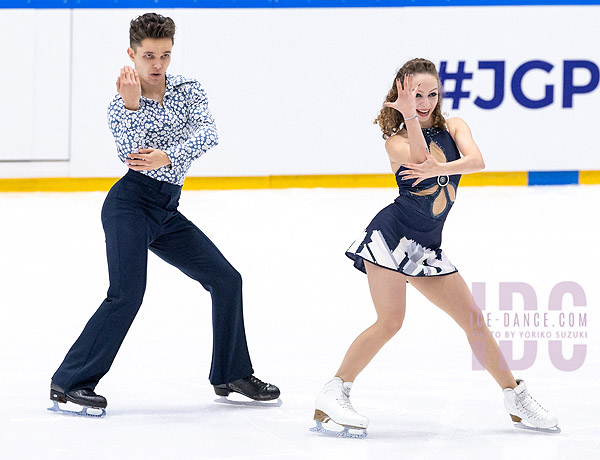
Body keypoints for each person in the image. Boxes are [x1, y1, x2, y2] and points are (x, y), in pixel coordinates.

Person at [311, 58, 558, 437]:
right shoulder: (395, 141)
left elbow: (477, 161)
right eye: (415, 95)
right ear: (400, 94)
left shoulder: (454, 126)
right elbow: (420, 160)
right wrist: (410, 118)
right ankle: (334, 391)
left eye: (431, 94)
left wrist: (439, 163)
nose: (425, 102)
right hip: (391, 237)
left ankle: (515, 397)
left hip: (426, 245)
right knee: (391, 321)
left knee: (473, 320)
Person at [49, 13, 279, 417]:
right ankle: (70, 382)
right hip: (129, 205)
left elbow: (208, 133)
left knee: (226, 280)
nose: (158, 64)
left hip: (166, 210)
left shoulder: (189, 91)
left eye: (166, 55)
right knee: (127, 294)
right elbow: (132, 157)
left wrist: (169, 154)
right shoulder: (120, 105)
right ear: (132, 55)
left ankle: (231, 372)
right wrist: (135, 106)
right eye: (150, 55)